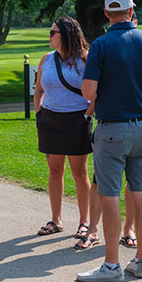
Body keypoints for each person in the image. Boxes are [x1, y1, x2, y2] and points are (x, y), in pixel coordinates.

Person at [77, 0, 142, 282]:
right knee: (140, 194)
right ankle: (140, 260)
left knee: (110, 197)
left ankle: (112, 266)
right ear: (132, 11)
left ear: (107, 14)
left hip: (112, 128)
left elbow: (88, 91)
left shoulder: (101, 45)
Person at [33, 17, 95, 244]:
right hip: (50, 120)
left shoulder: (85, 59)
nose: (49, 36)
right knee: (54, 171)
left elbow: (97, 92)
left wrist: (87, 114)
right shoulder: (46, 59)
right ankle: (56, 220)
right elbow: (38, 90)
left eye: (53, 32)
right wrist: (39, 113)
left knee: (79, 173)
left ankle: (84, 222)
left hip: (77, 120)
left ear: (66, 34)